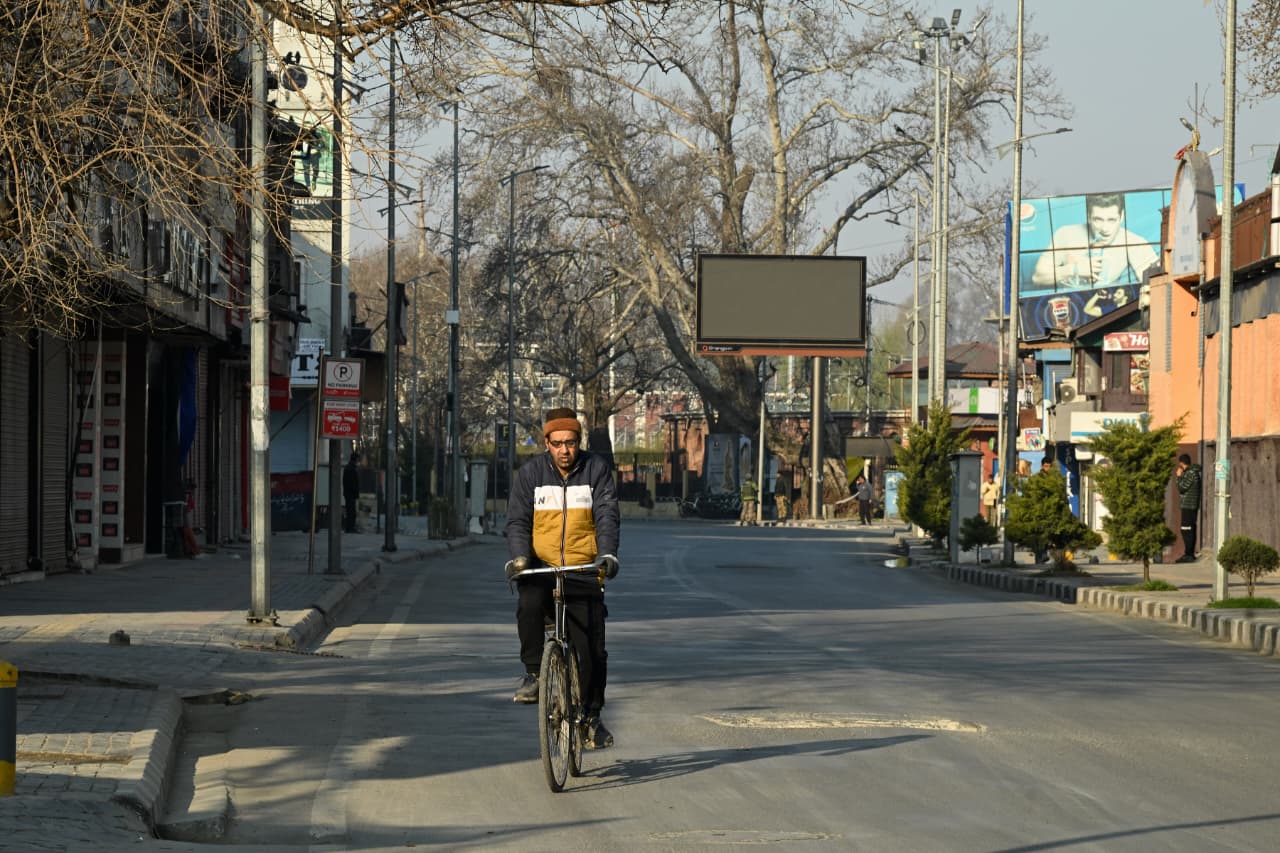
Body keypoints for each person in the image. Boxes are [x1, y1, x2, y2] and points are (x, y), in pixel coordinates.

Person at [505, 407, 620, 749]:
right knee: (527, 602)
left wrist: (608, 555)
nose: (565, 450)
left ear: (579, 442)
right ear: (547, 443)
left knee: (593, 650)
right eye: (557, 444)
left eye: (570, 442)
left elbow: (607, 514)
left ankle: (591, 718)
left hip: (583, 568)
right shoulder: (531, 473)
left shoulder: (596, 470)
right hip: (542, 565)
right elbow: (517, 521)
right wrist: (520, 557)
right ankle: (534, 673)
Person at [1030, 193, 1159, 288]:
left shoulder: (1133, 242)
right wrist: (1075, 269)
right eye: (1098, 219)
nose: (1105, 228)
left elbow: (1156, 281)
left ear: (1122, 216)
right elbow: (1037, 277)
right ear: (1088, 216)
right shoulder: (1065, 234)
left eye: (1111, 220)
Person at [1175, 453, 1202, 562]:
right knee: (1189, 529)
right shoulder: (1193, 472)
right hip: (1190, 505)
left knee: (1186, 529)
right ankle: (1189, 553)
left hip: (1188, 505)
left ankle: (1189, 554)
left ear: (1182, 463)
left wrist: (1178, 477)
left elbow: (1182, 487)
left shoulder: (1190, 473)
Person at [342, 451, 360, 533]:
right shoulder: (352, 469)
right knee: (351, 512)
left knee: (350, 511)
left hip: (348, 493)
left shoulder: (348, 468)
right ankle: (350, 528)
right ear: (355, 459)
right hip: (351, 494)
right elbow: (353, 483)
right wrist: (355, 492)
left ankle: (349, 527)